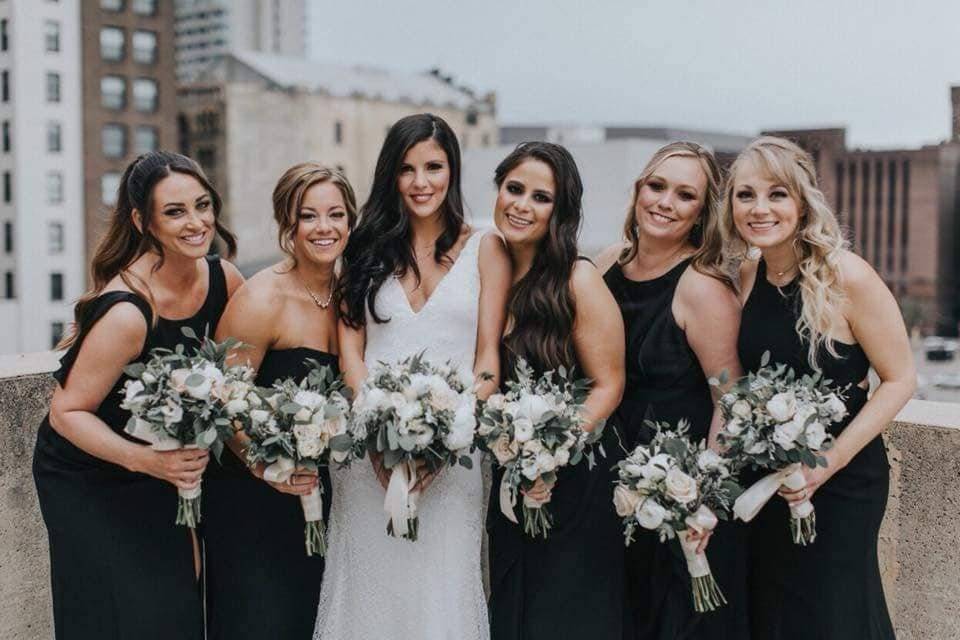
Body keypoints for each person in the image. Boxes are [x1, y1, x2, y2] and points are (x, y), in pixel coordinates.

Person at [314, 113, 511, 640]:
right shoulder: (363, 247)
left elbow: (488, 357)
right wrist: (377, 427)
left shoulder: (486, 248)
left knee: (441, 592)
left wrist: (448, 434)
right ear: (390, 175)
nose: (421, 183)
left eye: (434, 167)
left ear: (453, 170)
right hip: (365, 453)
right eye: (407, 169)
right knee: (369, 595)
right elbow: (349, 353)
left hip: (455, 454)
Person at [32, 151, 243, 640]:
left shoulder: (224, 279)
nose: (196, 222)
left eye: (202, 205)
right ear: (142, 221)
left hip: (163, 460)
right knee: (126, 607)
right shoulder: (127, 312)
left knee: (178, 598)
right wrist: (144, 462)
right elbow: (65, 412)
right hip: (90, 471)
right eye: (175, 212)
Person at [724, 136, 915, 640]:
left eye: (776, 194)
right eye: (745, 195)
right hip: (767, 479)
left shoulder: (847, 277)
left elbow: (900, 380)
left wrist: (827, 462)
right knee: (776, 611)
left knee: (835, 612)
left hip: (844, 482)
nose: (759, 209)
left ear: (803, 200)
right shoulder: (747, 273)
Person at [596, 141, 748, 639]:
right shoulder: (605, 265)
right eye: (657, 186)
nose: (664, 202)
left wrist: (700, 499)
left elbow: (729, 399)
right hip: (608, 497)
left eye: (685, 195)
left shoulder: (703, 288)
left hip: (676, 505)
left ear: (702, 213)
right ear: (638, 190)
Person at [203, 163, 357, 639]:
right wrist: (266, 466)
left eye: (336, 214)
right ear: (287, 224)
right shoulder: (261, 298)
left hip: (328, 498)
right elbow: (224, 402)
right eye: (308, 216)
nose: (324, 228)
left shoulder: (354, 294)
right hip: (254, 504)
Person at [486, 141, 626, 640]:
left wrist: (550, 452)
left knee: (562, 616)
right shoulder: (491, 270)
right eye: (514, 189)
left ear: (561, 210)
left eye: (540, 197)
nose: (522, 205)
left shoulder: (577, 278)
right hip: (510, 479)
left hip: (574, 483)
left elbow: (609, 384)